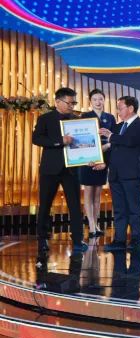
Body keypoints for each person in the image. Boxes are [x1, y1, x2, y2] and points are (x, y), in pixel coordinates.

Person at [31, 87, 86, 254]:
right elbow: (36, 139)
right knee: (45, 205)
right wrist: (59, 141)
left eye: (74, 103)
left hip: (71, 169)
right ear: (57, 102)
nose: (72, 106)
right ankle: (42, 239)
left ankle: (78, 239)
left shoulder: (77, 120)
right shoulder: (45, 118)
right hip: (50, 169)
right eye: (69, 103)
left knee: (75, 206)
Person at [100, 95, 140, 251]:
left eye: (120, 108)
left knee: (134, 209)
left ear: (131, 108)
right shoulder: (117, 127)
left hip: (132, 175)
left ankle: (135, 240)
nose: (118, 111)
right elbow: (113, 148)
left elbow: (130, 141)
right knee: (119, 209)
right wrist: (103, 162)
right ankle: (119, 240)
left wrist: (111, 136)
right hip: (115, 174)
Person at [79, 88, 115, 239]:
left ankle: (96, 223)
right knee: (88, 192)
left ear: (104, 100)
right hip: (88, 160)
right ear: (90, 101)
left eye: (100, 99)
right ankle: (91, 225)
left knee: (97, 194)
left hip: (103, 159)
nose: (98, 102)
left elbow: (114, 139)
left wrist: (106, 156)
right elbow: (80, 139)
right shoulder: (84, 116)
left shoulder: (110, 118)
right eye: (95, 99)